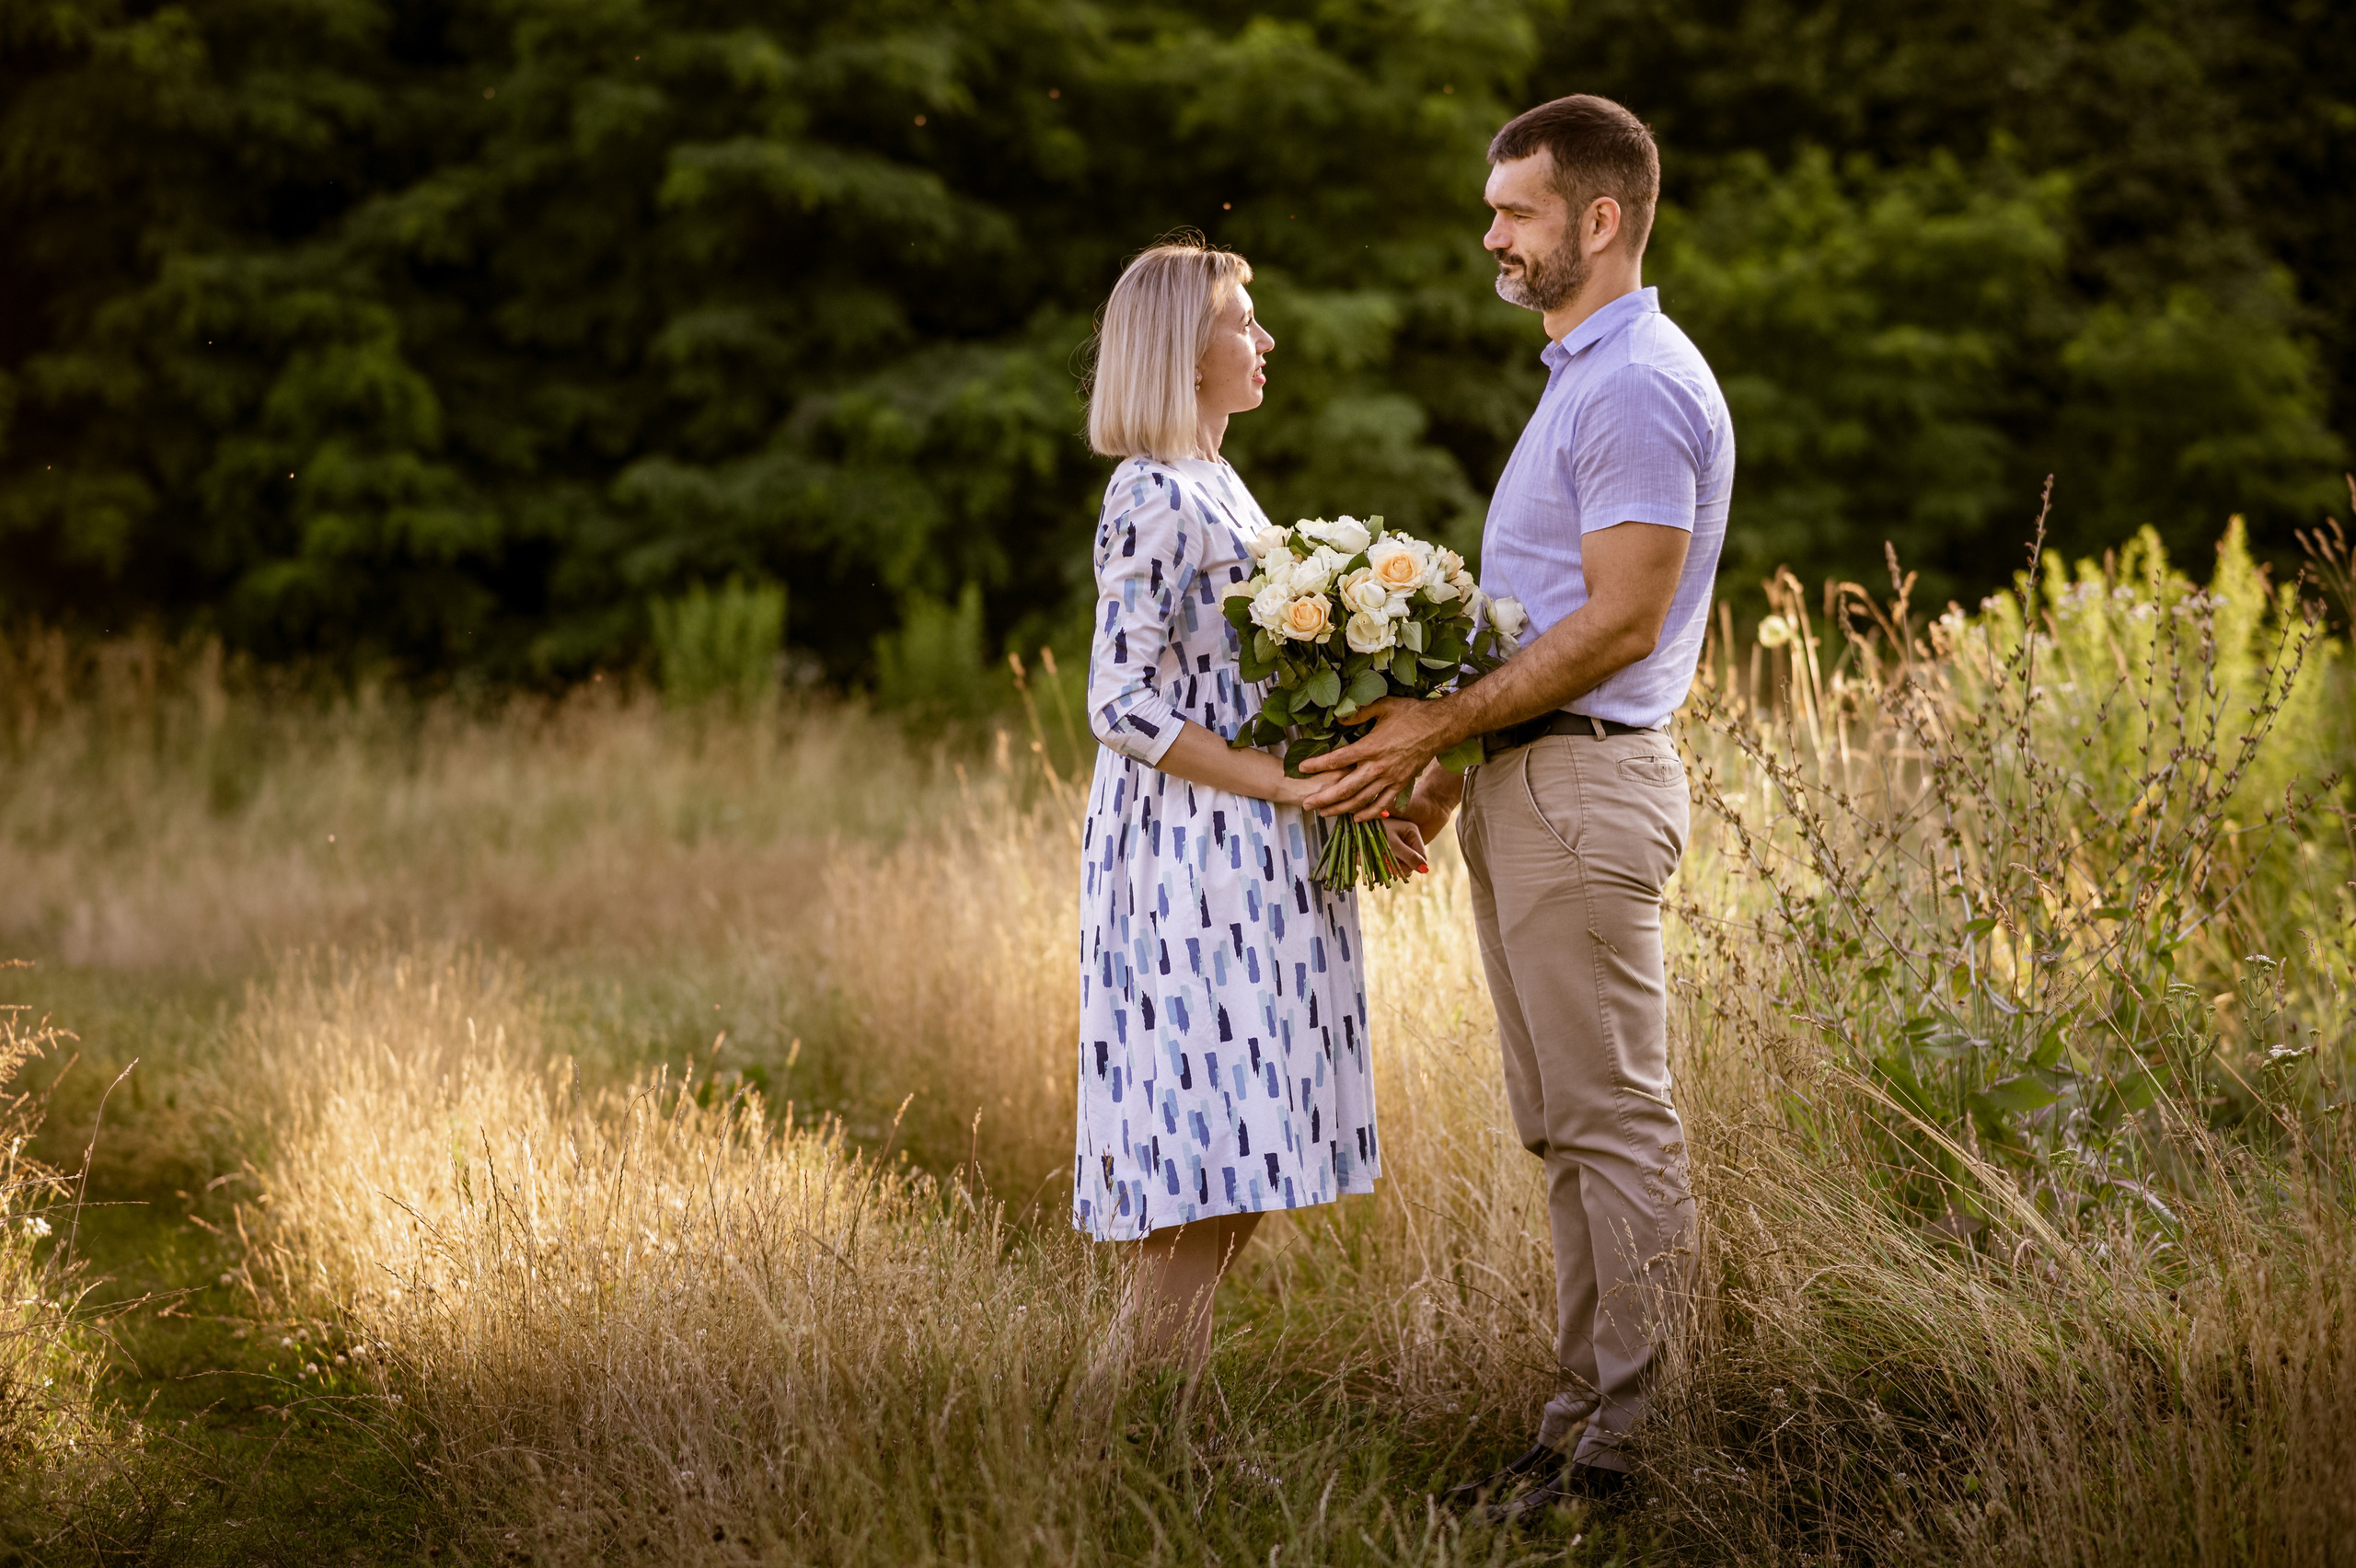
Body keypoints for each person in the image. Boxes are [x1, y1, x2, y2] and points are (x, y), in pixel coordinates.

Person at [1299, 96, 1733, 1512]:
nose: (1490, 233)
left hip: (1587, 782)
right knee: (1565, 1124)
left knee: (1613, 1121)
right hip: (1532, 780)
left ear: (1598, 221)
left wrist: (1439, 720)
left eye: (1516, 211)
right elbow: (1549, 617)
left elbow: (1618, 623)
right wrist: (1440, 771)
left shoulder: (1633, 384)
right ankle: (1577, 1432)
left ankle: (1629, 1451)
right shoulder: (1580, 378)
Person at [1071, 237, 1426, 1378]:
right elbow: (1118, 700)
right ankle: (1133, 1424)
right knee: (1202, 1148)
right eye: (1242, 321)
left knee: (1241, 1151)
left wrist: (1352, 792)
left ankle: (1165, 1417)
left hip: (1256, 845)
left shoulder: (1218, 480)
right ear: (1183, 350)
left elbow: (1249, 681)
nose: (1263, 341)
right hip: (1190, 857)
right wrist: (1281, 783)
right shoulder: (1150, 490)